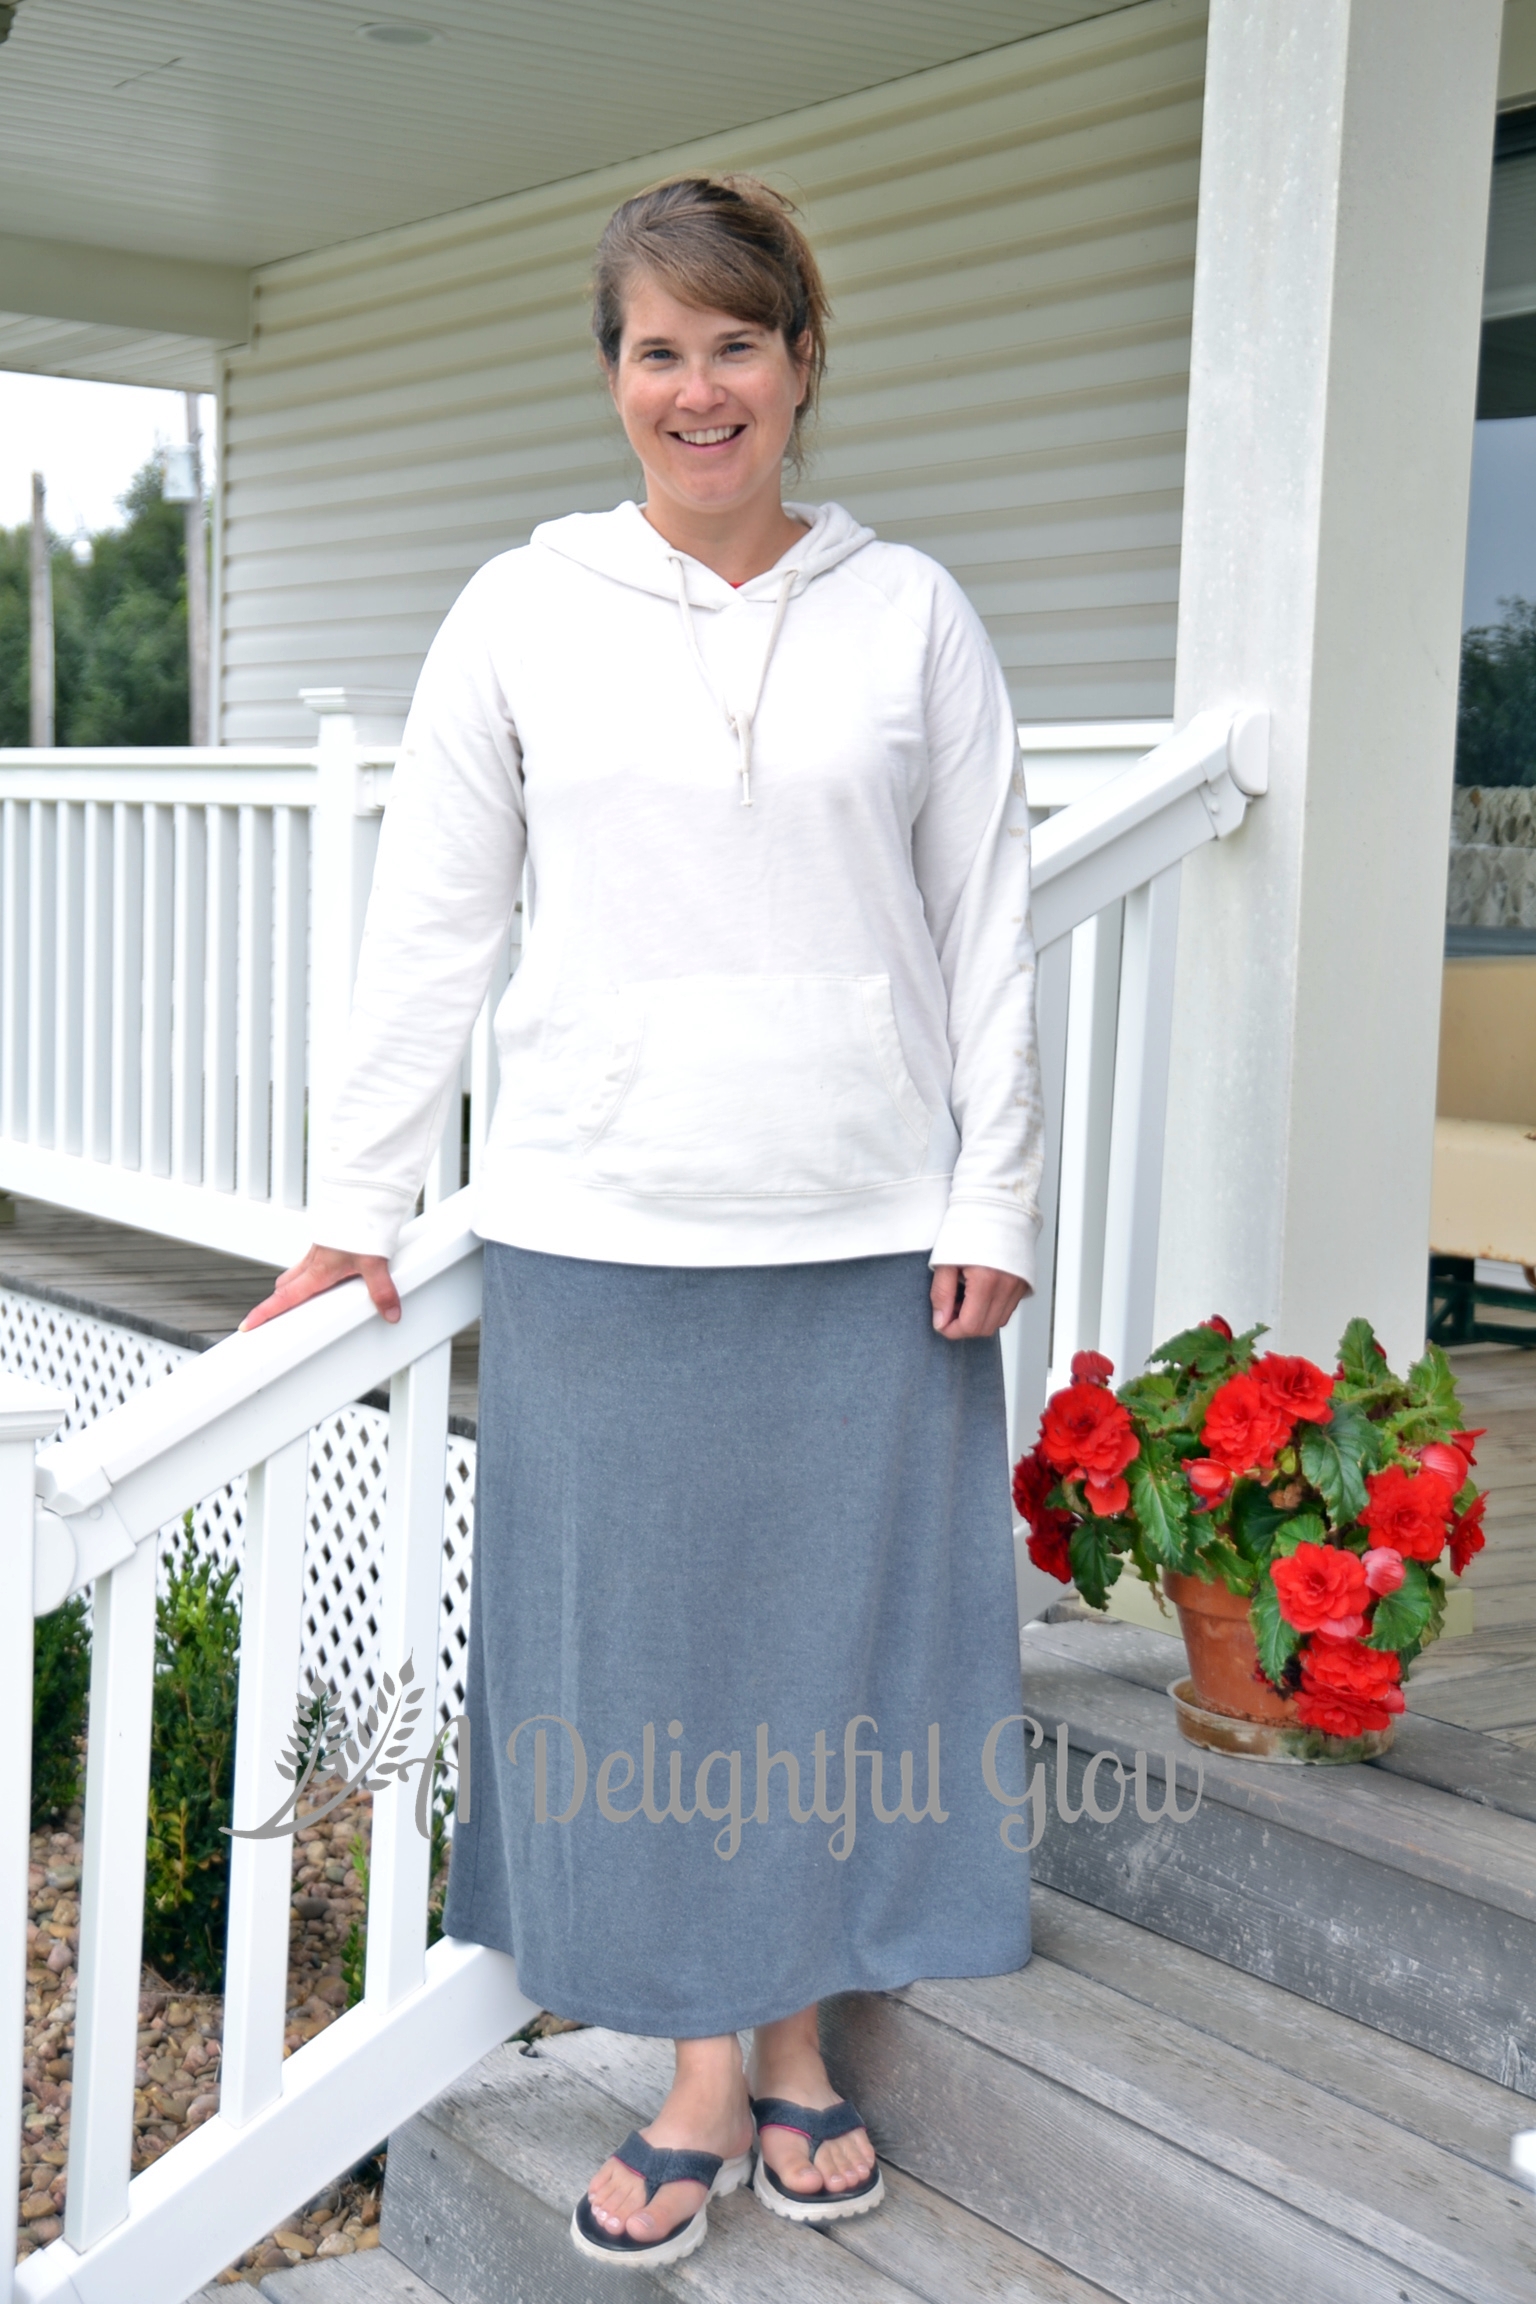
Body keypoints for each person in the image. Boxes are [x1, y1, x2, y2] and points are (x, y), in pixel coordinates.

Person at [244, 173, 1043, 2272]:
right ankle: (701, 2065)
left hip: (865, 1236)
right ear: (614, 376)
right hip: (604, 1233)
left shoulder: (911, 613)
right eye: (659, 349)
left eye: (736, 344)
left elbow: (990, 928)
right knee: (652, 1679)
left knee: (826, 1664)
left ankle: (792, 2044)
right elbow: (429, 929)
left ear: (802, 363)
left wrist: (995, 1186)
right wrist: (356, 1204)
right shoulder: (523, 612)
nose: (701, 389)